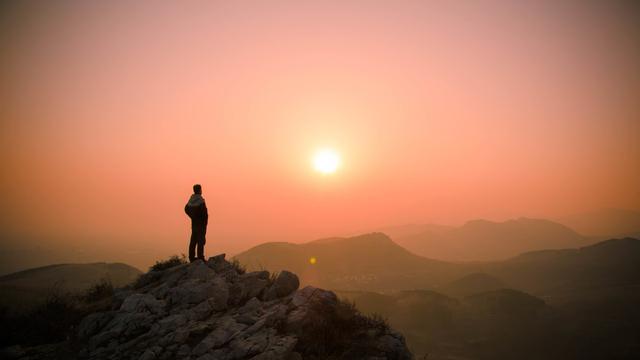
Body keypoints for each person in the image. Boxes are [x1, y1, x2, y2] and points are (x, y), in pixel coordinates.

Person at [184, 184, 208, 262]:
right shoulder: (200, 200)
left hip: (194, 224)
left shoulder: (191, 200)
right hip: (201, 224)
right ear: (200, 190)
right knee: (200, 240)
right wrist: (202, 220)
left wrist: (192, 217)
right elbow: (204, 213)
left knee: (193, 240)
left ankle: (191, 257)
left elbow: (186, 209)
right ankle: (200, 257)